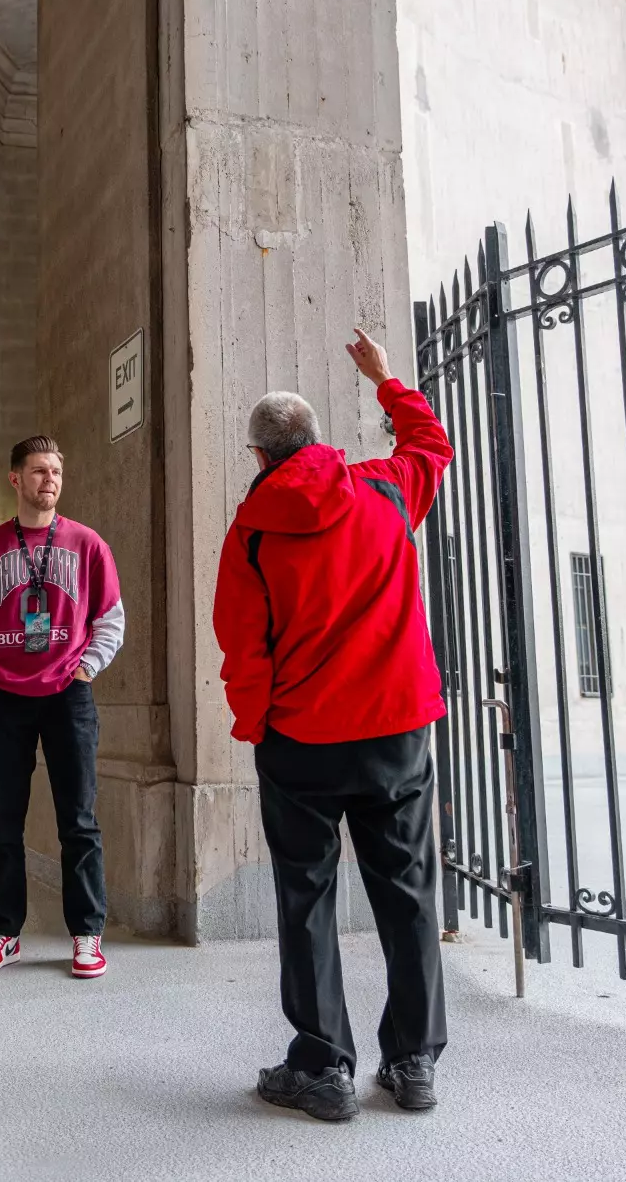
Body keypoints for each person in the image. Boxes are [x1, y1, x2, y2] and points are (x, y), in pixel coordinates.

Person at [212, 329, 455, 1121]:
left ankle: (322, 1066)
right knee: (408, 889)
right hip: (394, 729)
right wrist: (386, 380)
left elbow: (243, 647)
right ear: (316, 439)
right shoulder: (386, 488)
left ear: (258, 455)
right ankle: (413, 1058)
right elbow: (432, 442)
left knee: (306, 897)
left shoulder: (250, 530)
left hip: (303, 739)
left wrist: (258, 727)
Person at [0, 436, 125, 979]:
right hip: (5, 698)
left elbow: (112, 619)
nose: (49, 479)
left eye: (55, 470)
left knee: (78, 821)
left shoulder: (87, 543)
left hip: (68, 697)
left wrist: (86, 668)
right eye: (37, 470)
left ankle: (87, 934)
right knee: (4, 823)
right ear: (15, 479)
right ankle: (3, 932)